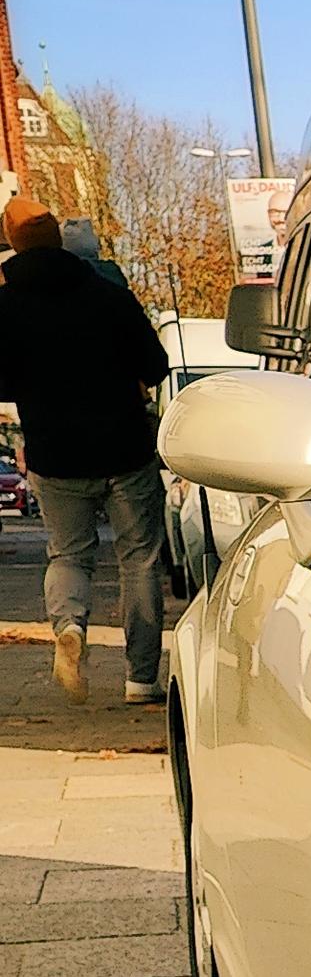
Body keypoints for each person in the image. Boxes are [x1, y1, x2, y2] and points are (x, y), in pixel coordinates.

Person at [0, 199, 170, 703]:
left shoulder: (5, 306)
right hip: (125, 448)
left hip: (55, 454)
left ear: (13, 245)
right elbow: (156, 364)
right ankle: (141, 679)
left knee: (69, 554)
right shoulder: (108, 295)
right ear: (58, 240)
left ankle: (70, 626)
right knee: (139, 560)